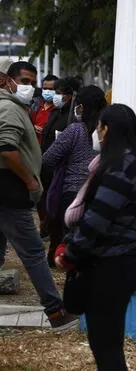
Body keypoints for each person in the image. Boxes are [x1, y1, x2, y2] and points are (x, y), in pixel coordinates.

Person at [0, 59, 78, 330]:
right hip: (7, 190)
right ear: (8, 80)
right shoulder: (8, 109)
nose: (29, 88)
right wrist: (30, 181)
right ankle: (56, 312)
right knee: (32, 253)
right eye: (24, 81)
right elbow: (8, 150)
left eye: (32, 82)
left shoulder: (5, 106)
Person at [55, 104, 136, 371]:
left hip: (113, 263)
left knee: (106, 343)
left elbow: (97, 219)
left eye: (100, 126)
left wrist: (71, 253)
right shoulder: (123, 162)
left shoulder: (121, 166)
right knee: (106, 342)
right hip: (119, 259)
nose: (97, 132)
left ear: (107, 129)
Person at [42, 86, 106, 265]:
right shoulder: (106, 131)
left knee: (67, 237)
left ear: (82, 107)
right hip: (100, 193)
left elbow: (48, 159)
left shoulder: (75, 130)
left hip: (71, 193)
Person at [42, 77, 80, 153]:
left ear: (70, 96)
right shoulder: (55, 112)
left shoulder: (74, 117)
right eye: (55, 93)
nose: (55, 96)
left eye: (59, 93)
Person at [31, 75, 59, 145]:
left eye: (51, 89)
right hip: (34, 147)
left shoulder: (59, 108)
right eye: (45, 88)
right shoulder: (35, 104)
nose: (47, 91)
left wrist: (45, 131)